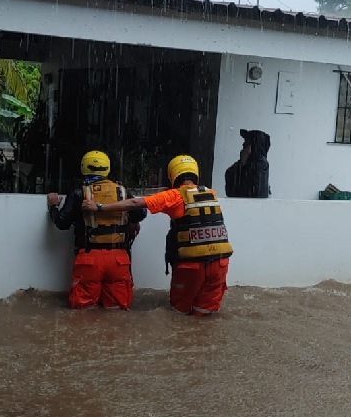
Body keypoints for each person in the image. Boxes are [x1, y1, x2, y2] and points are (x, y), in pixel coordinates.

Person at [82, 155, 233, 316]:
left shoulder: (175, 195)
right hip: (221, 264)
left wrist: (99, 207)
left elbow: (135, 204)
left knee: (179, 313)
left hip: (192, 266)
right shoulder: (212, 194)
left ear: (173, 175)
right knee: (204, 314)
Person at [47, 150, 147, 310]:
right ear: (107, 168)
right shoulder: (122, 192)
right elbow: (141, 212)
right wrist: (131, 221)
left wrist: (53, 206)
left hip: (89, 259)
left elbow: (62, 223)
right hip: (119, 259)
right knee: (117, 313)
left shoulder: (79, 193)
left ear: (84, 168)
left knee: (82, 313)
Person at [225, 129, 271, 198]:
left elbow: (255, 194)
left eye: (246, 144)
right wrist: (242, 164)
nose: (243, 145)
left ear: (254, 147)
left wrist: (243, 165)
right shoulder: (242, 166)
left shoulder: (261, 165)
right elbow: (231, 191)